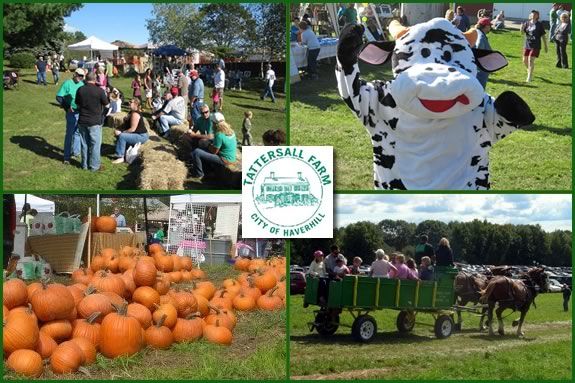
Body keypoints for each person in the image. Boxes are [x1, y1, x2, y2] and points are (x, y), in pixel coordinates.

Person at [75, 72, 109, 172]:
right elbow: (107, 105)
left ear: (86, 79)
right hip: (95, 121)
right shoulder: (99, 91)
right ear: (95, 79)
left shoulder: (80, 89)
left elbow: (77, 104)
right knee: (95, 145)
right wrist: (103, 116)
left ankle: (84, 165)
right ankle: (94, 166)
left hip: (82, 120)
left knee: (84, 143)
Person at [56, 68, 85, 164]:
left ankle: (76, 153)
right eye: (79, 75)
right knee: (69, 134)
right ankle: (66, 157)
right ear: (75, 74)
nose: (80, 78)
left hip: (80, 112)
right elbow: (59, 97)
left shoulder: (82, 84)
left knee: (77, 133)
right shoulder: (67, 83)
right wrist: (67, 106)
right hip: (71, 112)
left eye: (82, 76)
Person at [112, 99, 149, 164]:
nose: (129, 103)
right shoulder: (131, 112)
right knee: (119, 133)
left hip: (141, 136)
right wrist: (119, 129)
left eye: (131, 102)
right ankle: (125, 150)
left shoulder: (135, 114)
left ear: (136, 104)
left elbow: (132, 129)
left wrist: (122, 132)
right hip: (137, 134)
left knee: (122, 136)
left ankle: (120, 157)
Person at [522, 10, 548, 82]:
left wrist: (545, 46)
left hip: (535, 45)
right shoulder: (527, 23)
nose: (533, 15)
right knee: (524, 60)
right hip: (527, 44)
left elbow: (543, 36)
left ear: (537, 16)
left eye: (535, 14)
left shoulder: (539, 25)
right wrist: (521, 28)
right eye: (532, 13)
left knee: (531, 60)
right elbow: (522, 33)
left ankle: (529, 76)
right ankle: (529, 70)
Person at [475, 18, 493, 89]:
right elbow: (479, 50)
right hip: (481, 70)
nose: (490, 27)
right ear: (486, 26)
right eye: (489, 26)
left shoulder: (477, 33)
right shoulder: (481, 37)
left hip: (480, 68)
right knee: (480, 90)